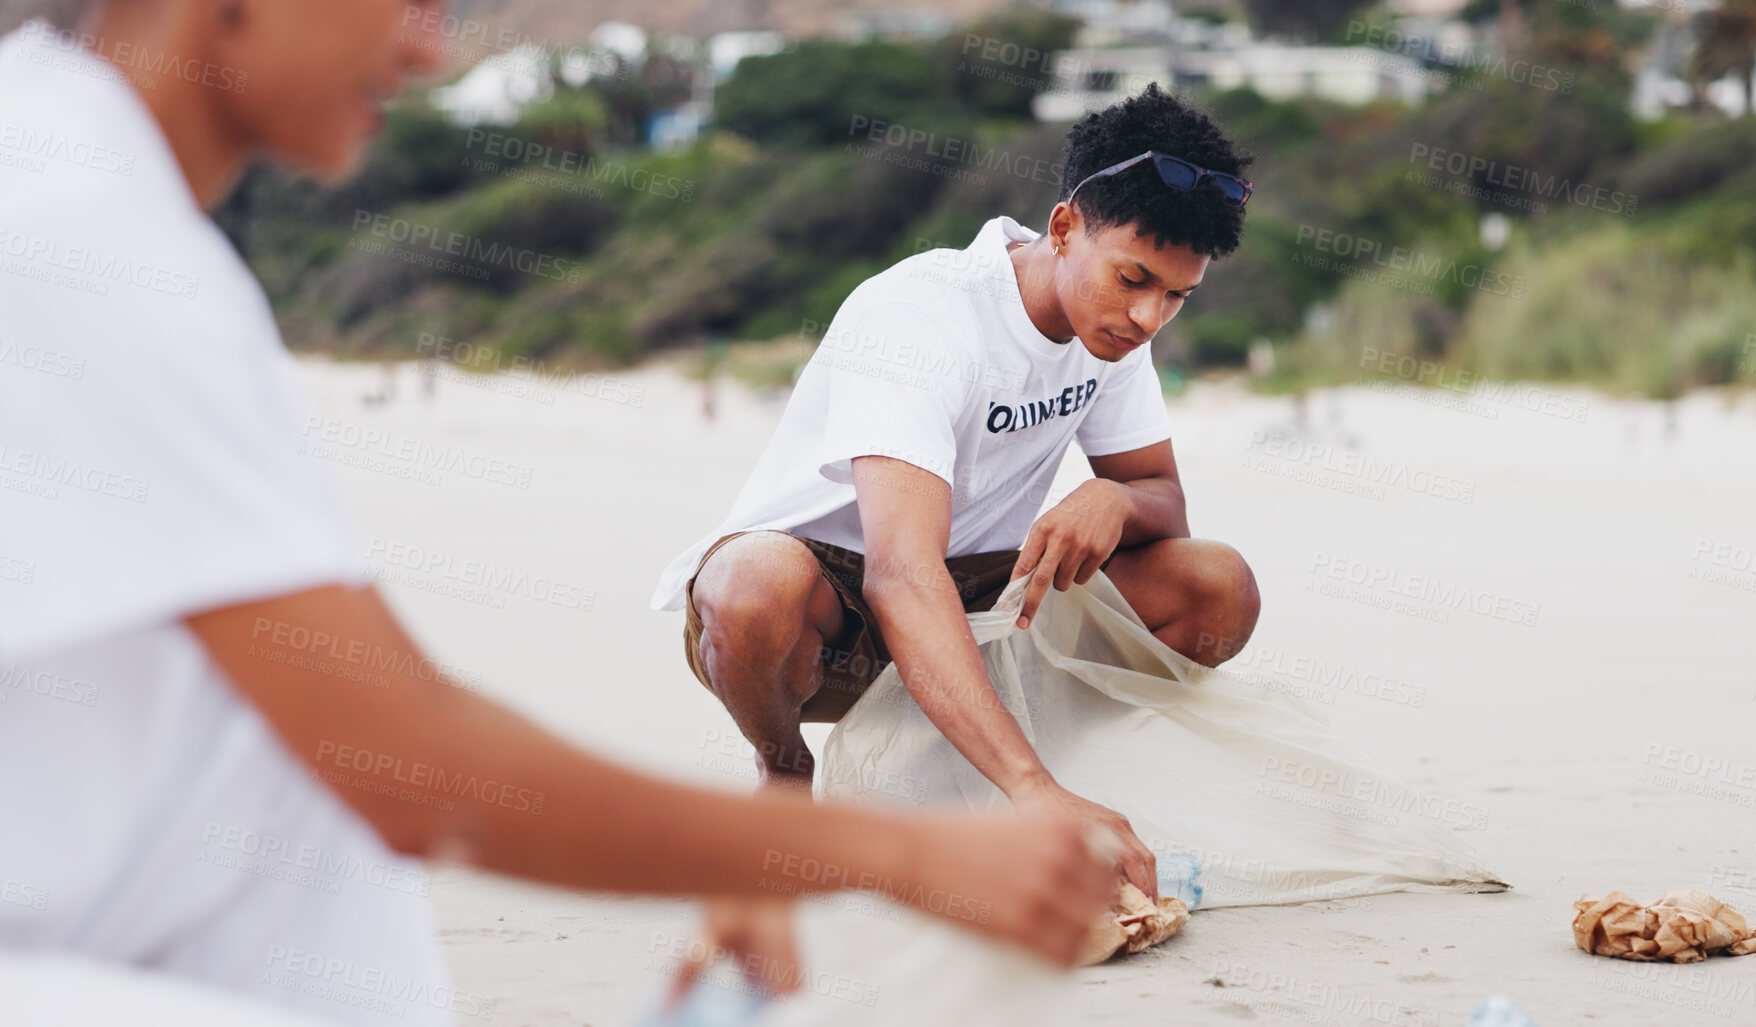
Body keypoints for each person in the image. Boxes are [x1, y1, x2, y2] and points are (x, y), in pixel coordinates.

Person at [0, 2, 1113, 1023]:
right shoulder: (81, 240)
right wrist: (885, 855)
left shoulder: (83, 196)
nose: (430, 50)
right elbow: (401, 758)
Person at [652, 83, 1263, 901]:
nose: (1149, 316)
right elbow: (899, 573)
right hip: (826, 610)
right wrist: (1031, 789)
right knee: (751, 584)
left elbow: (1162, 499)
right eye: (1133, 279)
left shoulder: (1111, 331)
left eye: (1176, 297)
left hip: (982, 594)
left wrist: (1112, 500)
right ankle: (789, 771)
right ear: (1062, 227)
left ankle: (986, 775)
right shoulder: (921, 317)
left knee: (1215, 588)